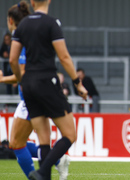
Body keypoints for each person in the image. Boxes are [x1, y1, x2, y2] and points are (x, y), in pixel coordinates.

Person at [9, 0, 88, 179]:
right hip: (47, 82)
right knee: (70, 134)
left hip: (28, 86)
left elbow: (13, 60)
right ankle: (44, 170)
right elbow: (64, 56)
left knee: (43, 140)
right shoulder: (52, 23)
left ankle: (44, 176)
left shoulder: (22, 26)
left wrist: (22, 80)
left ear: (32, 2)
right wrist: (77, 83)